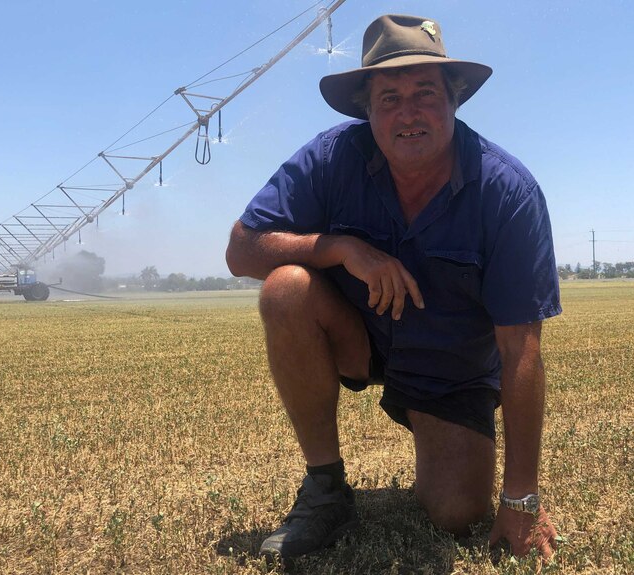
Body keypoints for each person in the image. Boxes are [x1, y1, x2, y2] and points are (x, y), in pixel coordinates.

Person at [226, 13, 561, 561]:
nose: (408, 113)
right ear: (367, 110)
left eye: (425, 93)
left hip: (449, 373)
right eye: (389, 98)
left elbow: (519, 346)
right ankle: (325, 487)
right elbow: (242, 249)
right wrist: (341, 249)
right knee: (285, 287)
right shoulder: (332, 158)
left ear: (454, 99)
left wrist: (521, 497)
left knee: (456, 512)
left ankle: (443, 442)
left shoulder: (508, 192)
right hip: (359, 339)